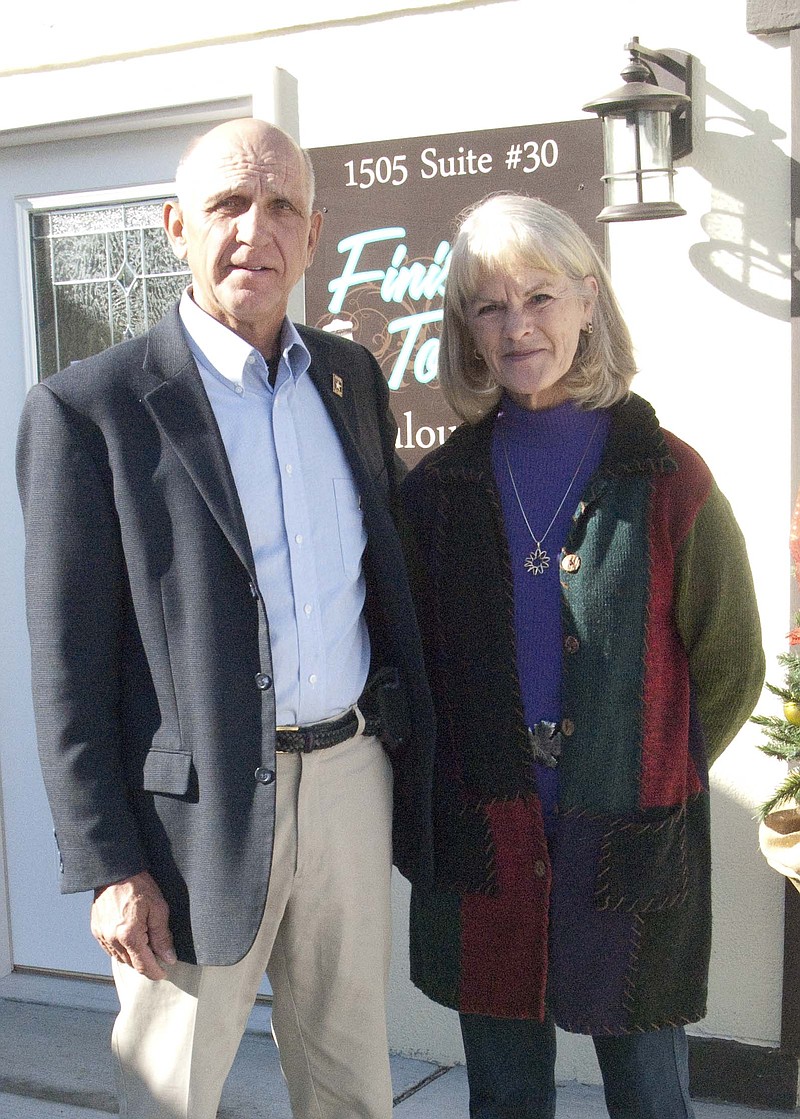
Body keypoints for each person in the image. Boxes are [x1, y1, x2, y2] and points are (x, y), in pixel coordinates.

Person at [16, 118, 434, 1119]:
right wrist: (110, 863)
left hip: (347, 778)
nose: (256, 229)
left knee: (348, 1079)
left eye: (282, 206)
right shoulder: (92, 408)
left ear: (314, 233)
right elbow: (64, 665)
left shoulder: (347, 379)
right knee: (174, 1090)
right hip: (187, 822)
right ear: (174, 226)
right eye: (227, 205)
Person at [402, 193, 765, 1119]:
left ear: (589, 300)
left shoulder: (670, 477)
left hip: (630, 849)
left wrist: (648, 764)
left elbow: (731, 665)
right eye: (488, 305)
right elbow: (414, 666)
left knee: (650, 1096)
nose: (518, 324)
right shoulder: (438, 491)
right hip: (488, 846)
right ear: (465, 329)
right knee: (508, 1100)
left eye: (541, 295)